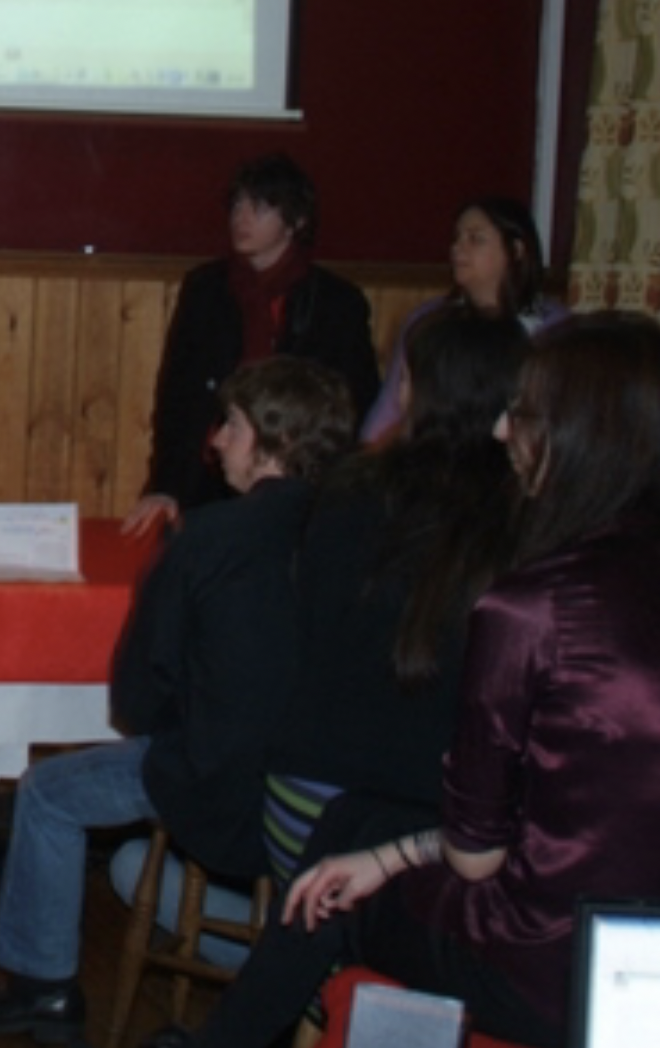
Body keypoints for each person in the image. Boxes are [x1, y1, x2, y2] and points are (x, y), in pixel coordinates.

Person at [76, 314, 660, 1048]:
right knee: (358, 830)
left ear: (583, 439)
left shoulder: (532, 608)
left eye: (526, 415)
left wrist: (386, 858)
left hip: (547, 973)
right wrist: (392, 850)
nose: (504, 431)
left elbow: (478, 853)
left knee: (333, 879)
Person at [0, 357, 352, 1043]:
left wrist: (184, 726)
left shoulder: (209, 538)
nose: (216, 441)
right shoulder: (361, 538)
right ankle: (299, 974)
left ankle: (41, 986)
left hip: (224, 783)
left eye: (233, 425)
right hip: (329, 801)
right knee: (132, 865)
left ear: (275, 439)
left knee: (46, 792)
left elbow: (138, 691)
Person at [104, 307, 531, 951]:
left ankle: (303, 975)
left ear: (421, 392)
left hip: (310, 790)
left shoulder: (354, 494)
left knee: (119, 845)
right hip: (433, 803)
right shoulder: (525, 519)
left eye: (405, 378)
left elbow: (157, 689)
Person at [124, 152, 380, 533]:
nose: (241, 218)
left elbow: (353, 403)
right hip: (209, 474)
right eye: (237, 205)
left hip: (297, 483)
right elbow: (178, 397)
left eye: (259, 207)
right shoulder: (206, 288)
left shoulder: (336, 302)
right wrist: (166, 484)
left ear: (296, 220)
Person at [356, 197, 570, 444]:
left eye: (475, 239)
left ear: (516, 249)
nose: (458, 247)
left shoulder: (554, 327)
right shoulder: (428, 319)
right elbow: (389, 408)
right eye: (456, 238)